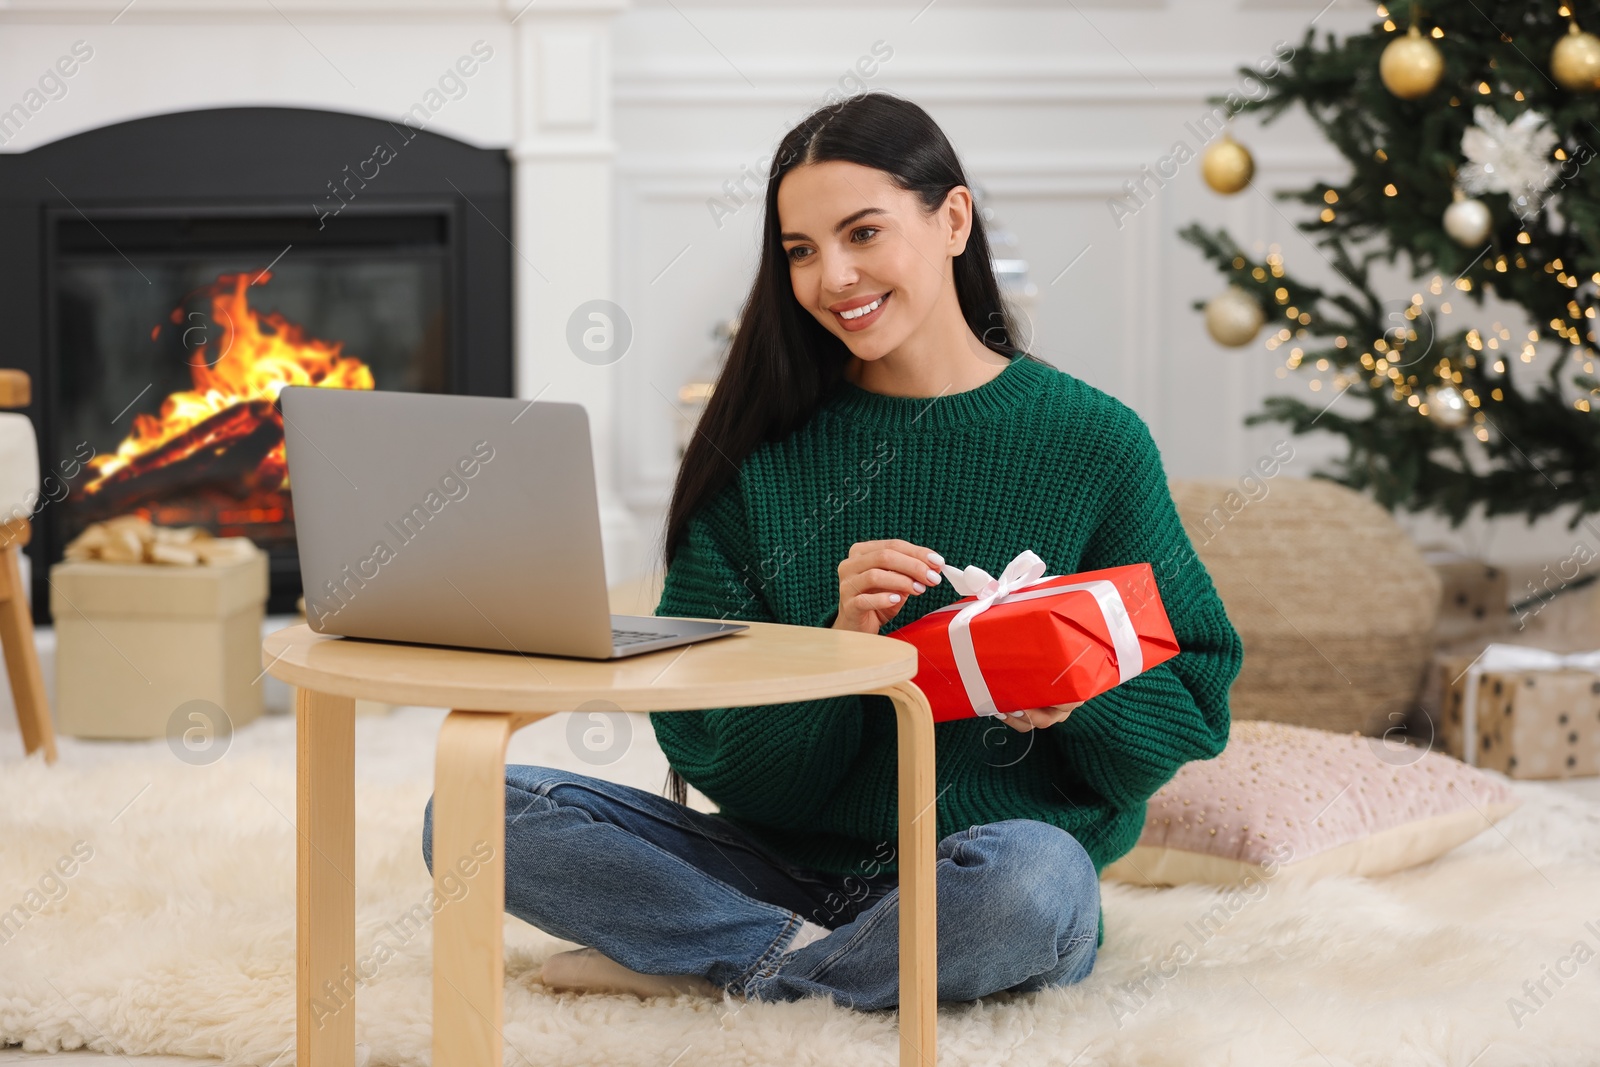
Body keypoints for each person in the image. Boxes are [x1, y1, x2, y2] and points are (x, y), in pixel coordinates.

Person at [422, 90, 1243, 1011]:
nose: (834, 277)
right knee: (473, 808)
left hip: (986, 877)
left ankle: (715, 962)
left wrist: (1072, 683)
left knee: (1036, 878)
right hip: (776, 865)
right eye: (802, 252)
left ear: (952, 219)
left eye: (863, 233)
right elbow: (707, 746)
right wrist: (839, 653)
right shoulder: (759, 450)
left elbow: (1193, 706)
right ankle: (814, 964)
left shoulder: (1094, 442)